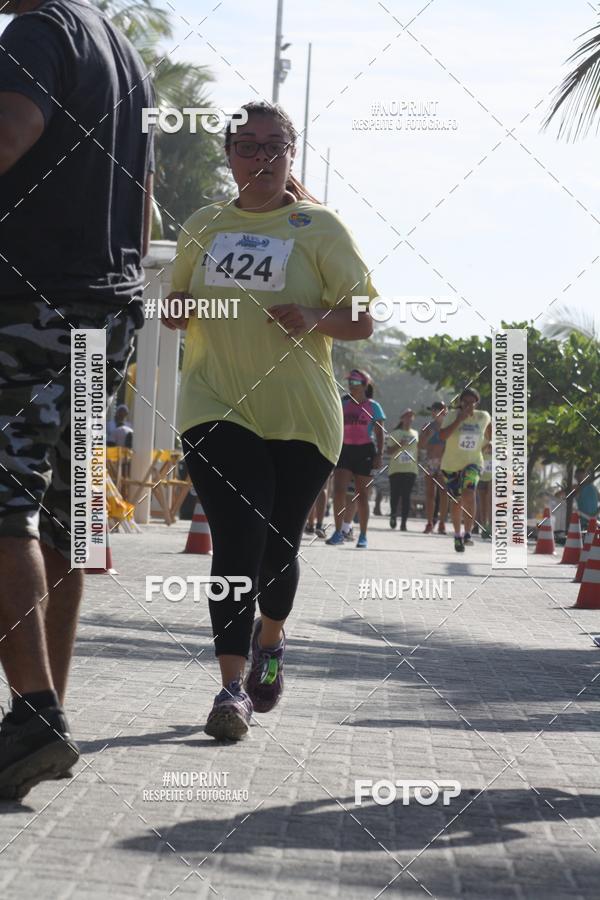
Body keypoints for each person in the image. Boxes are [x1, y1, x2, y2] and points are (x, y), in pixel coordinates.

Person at [162, 101, 377, 741]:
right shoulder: (202, 224)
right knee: (236, 536)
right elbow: (177, 302)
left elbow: (361, 316)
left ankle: (272, 637)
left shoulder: (319, 226)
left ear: (291, 153)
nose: (259, 158)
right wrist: (174, 306)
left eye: (272, 147)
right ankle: (231, 689)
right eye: (246, 146)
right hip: (214, 403)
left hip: (301, 413)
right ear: (228, 155)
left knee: (278, 544)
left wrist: (315, 318)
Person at [0, 0, 154, 798]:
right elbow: (145, 203)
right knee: (66, 519)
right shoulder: (121, 52)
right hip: (107, 312)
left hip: (30, 309)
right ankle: (47, 717)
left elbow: (10, 131)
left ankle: (31, 714)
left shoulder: (36, 32)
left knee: (3, 506)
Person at [326, 370, 385, 549]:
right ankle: (338, 532)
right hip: (345, 449)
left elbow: (379, 432)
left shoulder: (373, 406)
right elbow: (335, 427)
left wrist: (379, 454)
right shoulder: (343, 404)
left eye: (356, 382)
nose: (352, 384)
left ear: (365, 385)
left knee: (362, 495)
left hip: (365, 451)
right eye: (350, 381)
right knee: (338, 492)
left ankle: (363, 535)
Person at [439, 388, 492, 553]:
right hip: (451, 465)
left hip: (473, 462)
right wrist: (459, 420)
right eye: (465, 402)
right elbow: (443, 436)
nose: (469, 405)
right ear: (460, 402)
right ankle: (457, 534)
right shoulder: (452, 415)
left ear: (477, 403)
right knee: (457, 501)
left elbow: (490, 431)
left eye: (472, 402)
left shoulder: (482, 416)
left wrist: (489, 442)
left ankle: (468, 533)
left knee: (469, 493)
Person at [418, 401, 448, 534]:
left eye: (437, 410)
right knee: (430, 494)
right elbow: (420, 445)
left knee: (443, 493)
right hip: (430, 462)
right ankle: (429, 522)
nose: (434, 412)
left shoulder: (449, 426)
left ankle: (442, 523)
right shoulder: (427, 426)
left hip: (445, 462)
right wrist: (428, 436)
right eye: (433, 410)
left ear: (444, 411)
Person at [387, 409, 419, 531]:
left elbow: (418, 450)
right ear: (402, 418)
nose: (409, 419)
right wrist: (400, 444)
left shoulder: (415, 433)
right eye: (407, 416)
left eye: (411, 416)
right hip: (396, 469)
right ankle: (393, 515)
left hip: (411, 469)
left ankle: (404, 523)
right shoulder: (395, 433)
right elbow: (389, 451)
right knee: (395, 495)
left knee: (406, 496)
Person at [477, 442, 493, 539]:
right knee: (483, 503)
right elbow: (476, 453)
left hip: (493, 476)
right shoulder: (482, 439)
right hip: (482, 475)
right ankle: (484, 527)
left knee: (491, 500)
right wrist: (485, 446)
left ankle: (491, 526)